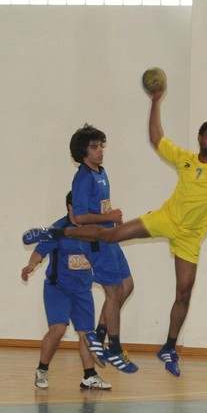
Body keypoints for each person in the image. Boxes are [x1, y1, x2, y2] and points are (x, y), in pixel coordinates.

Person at [24, 86, 207, 377]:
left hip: (190, 237)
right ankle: (56, 236)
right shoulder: (184, 158)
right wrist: (156, 101)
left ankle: (168, 347)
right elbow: (156, 138)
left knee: (182, 292)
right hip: (165, 219)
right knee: (110, 238)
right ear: (200, 137)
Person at [21, 191, 111, 390]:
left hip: (83, 291)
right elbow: (39, 251)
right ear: (70, 207)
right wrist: (31, 265)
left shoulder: (93, 229)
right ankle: (42, 369)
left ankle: (89, 376)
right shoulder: (58, 229)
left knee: (87, 334)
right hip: (58, 289)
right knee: (58, 329)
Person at [69, 124, 138, 374]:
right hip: (96, 242)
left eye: (101, 146)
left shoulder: (101, 171)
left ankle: (98, 335)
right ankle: (114, 348)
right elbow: (79, 217)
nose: (100, 151)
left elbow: (99, 208)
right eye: (94, 147)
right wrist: (108, 216)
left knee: (126, 286)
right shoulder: (83, 178)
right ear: (83, 151)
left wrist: (112, 217)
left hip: (110, 237)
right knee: (114, 292)